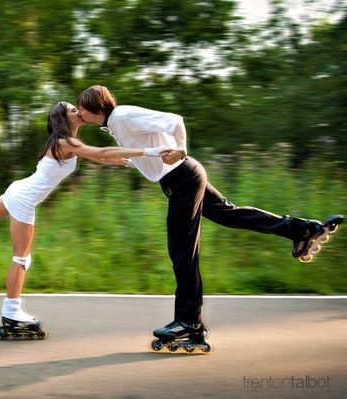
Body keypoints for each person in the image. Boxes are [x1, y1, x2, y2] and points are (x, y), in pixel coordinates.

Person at [76, 85, 344, 353]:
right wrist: (108, 157)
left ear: (94, 106)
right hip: (185, 177)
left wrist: (180, 150)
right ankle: (303, 230)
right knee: (230, 215)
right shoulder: (115, 124)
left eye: (81, 107)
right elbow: (144, 154)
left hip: (182, 178)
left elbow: (174, 121)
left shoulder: (122, 115)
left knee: (182, 251)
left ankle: (188, 322)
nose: (79, 112)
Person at [0, 101, 169, 340]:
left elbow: (97, 156)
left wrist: (120, 161)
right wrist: (151, 151)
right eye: (71, 109)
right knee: (21, 258)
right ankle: (12, 312)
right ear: (63, 118)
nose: (77, 111)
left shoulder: (63, 143)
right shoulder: (64, 142)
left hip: (19, 190)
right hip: (23, 199)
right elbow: (100, 153)